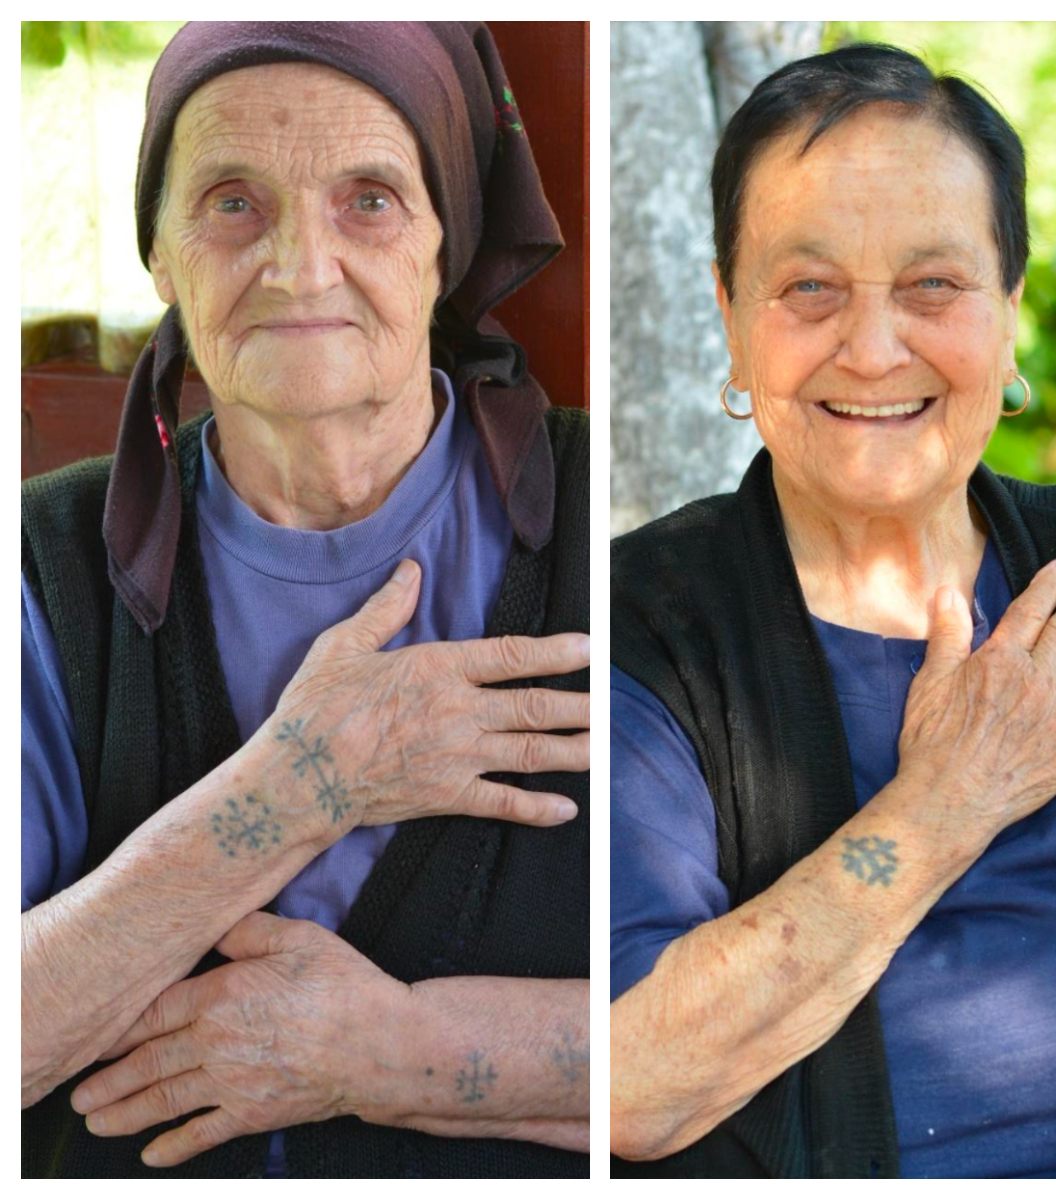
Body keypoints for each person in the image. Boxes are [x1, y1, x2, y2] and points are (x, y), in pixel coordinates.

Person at [22, 22, 589, 1179]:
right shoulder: (42, 564)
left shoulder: (609, 518)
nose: (298, 266)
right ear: (162, 259)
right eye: (232, 202)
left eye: (368, 199)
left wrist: (391, 1054)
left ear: (446, 245)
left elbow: (746, 1028)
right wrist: (302, 786)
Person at [610, 44, 1056, 1179]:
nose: (873, 351)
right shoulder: (650, 627)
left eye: (934, 285)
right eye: (809, 287)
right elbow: (628, 1088)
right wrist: (945, 807)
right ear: (730, 314)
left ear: (1009, 308)